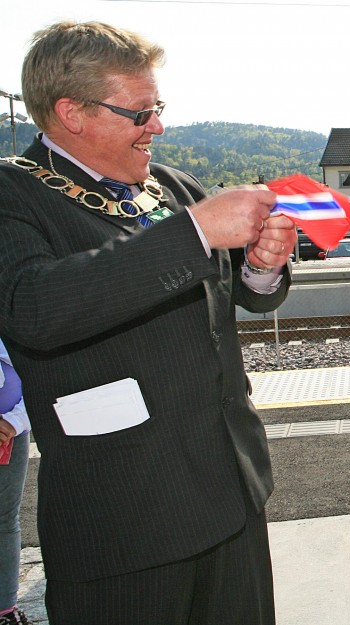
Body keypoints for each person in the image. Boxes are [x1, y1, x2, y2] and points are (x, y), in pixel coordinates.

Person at [0, 21, 296, 624]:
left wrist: (263, 268)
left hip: (232, 496)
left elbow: (242, 295)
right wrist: (195, 233)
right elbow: (34, 308)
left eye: (157, 108)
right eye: (140, 113)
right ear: (70, 113)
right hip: (125, 522)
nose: (156, 126)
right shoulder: (14, 194)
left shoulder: (172, 186)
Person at [0, 340, 29, 625]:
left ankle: (5, 610)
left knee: (4, 521)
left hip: (8, 432)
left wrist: (14, 422)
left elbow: (36, 375)